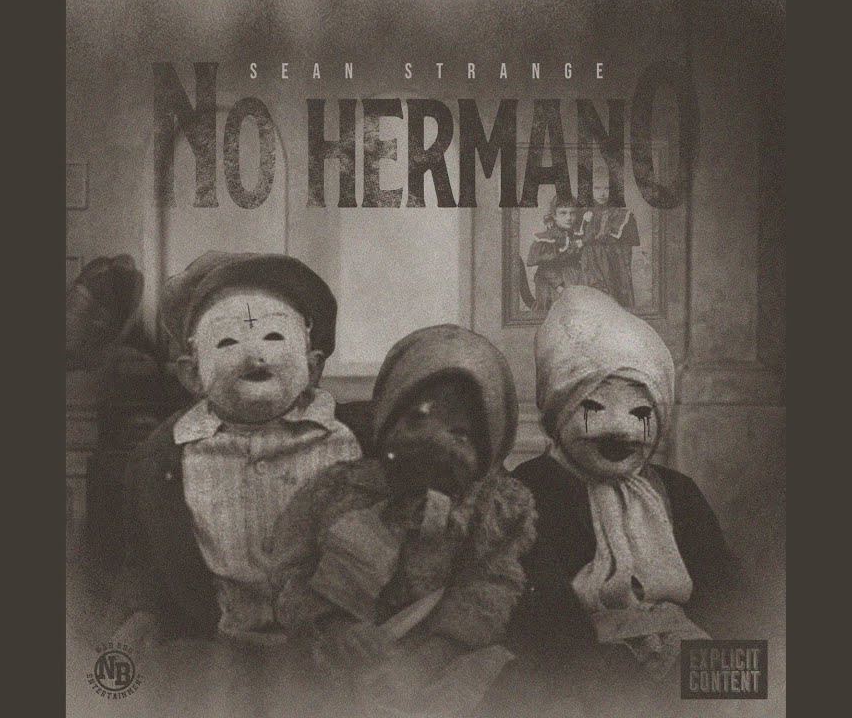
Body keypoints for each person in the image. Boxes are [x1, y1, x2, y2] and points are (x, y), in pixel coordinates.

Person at [109, 250, 362, 717]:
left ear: (313, 365)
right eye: (227, 341)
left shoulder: (351, 445)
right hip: (213, 651)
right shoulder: (162, 460)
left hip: (322, 653)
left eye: (273, 335)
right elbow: (143, 559)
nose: (255, 353)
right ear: (192, 373)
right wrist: (141, 616)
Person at [271, 325, 536, 718]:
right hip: (338, 654)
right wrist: (333, 627)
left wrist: (434, 653)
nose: (435, 440)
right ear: (387, 418)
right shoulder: (337, 489)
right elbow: (291, 568)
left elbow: (488, 588)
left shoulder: (494, 509)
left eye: (461, 433)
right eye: (416, 419)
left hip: (438, 657)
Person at [505, 286, 743, 715]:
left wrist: (721, 673)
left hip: (686, 658)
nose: (621, 430)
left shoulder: (678, 492)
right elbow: (544, 617)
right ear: (560, 414)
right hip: (589, 667)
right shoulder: (531, 489)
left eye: (639, 413)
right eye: (595, 409)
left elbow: (723, 594)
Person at [579, 184, 643, 309]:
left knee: (614, 299)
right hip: (589, 264)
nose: (602, 193)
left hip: (613, 264)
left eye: (606, 188)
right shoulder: (583, 214)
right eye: (597, 188)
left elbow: (627, 250)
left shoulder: (622, 215)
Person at [526, 197, 585, 311]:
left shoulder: (575, 234)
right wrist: (559, 287)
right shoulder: (549, 238)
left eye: (572, 213)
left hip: (573, 277)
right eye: (563, 213)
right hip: (553, 282)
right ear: (554, 216)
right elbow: (546, 268)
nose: (569, 218)